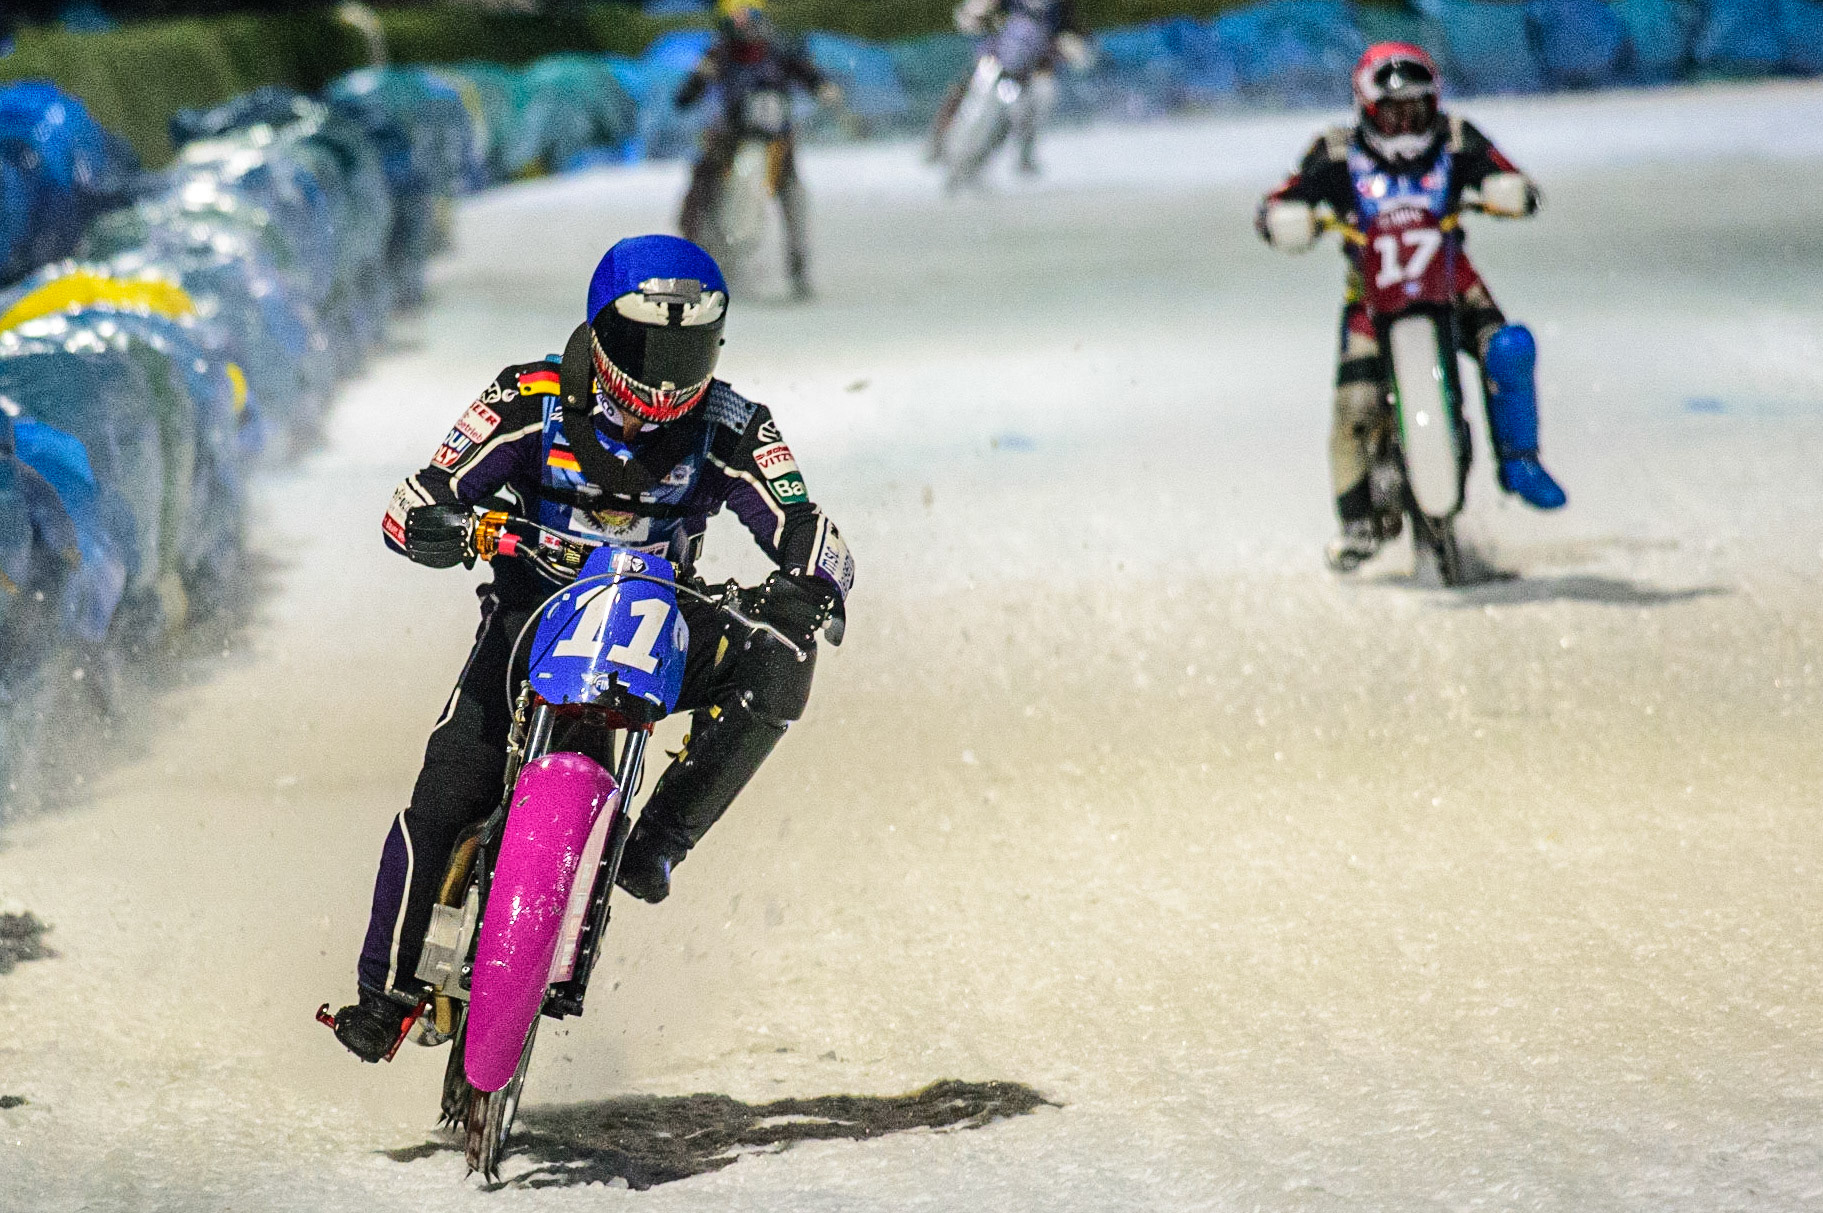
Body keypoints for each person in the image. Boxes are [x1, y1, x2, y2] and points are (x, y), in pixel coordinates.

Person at [331, 234, 854, 1062]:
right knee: (444, 791)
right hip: (526, 620)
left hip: (661, 625)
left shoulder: (732, 423)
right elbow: (415, 497)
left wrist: (809, 581)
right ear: (601, 331)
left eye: (692, 348)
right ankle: (384, 993)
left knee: (785, 656)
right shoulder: (524, 396)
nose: (671, 370)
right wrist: (440, 525)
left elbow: (804, 520)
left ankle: (657, 843)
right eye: (651, 345)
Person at [1256, 42, 1566, 572]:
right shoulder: (1335, 152)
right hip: (1371, 297)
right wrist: (1287, 217)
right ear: (1367, 107)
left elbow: (1505, 174)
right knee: (1354, 408)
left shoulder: (1455, 138)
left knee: (1509, 349)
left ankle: (1520, 461)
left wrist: (1507, 189)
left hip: (1451, 279)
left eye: (1416, 110)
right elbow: (1284, 198)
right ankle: (1356, 520)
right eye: (1393, 112)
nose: (1405, 123)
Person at [674, 0, 839, 299]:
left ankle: (798, 268)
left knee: (794, 198)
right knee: (701, 195)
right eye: (737, 20)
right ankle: (703, 266)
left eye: (749, 19)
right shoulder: (720, 53)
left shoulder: (780, 51)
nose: (745, 27)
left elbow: (811, 76)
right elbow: (685, 97)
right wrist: (700, 77)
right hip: (732, 139)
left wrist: (822, 87)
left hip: (777, 142)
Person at [924, 0, 1092, 173]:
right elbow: (974, 15)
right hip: (995, 60)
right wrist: (975, 15)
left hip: (1030, 71)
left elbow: (1072, 35)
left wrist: (1071, 46)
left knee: (1034, 103)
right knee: (966, 91)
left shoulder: (1059, 6)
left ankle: (1023, 156)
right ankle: (937, 142)